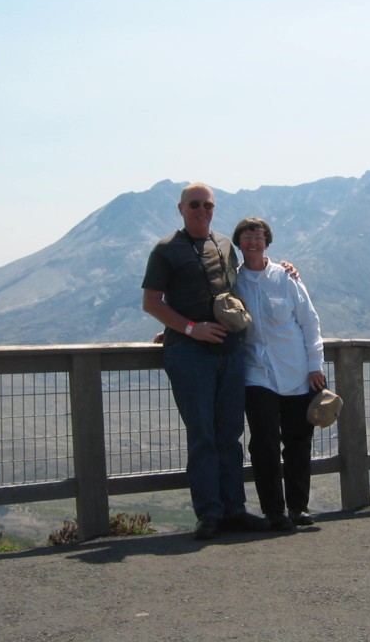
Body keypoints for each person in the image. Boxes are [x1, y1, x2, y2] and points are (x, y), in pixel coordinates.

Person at [141, 183, 270, 540]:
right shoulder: (166, 250)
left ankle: (234, 510)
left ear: (214, 208)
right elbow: (152, 302)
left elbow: (245, 280)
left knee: (230, 432)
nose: (202, 209)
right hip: (190, 353)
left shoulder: (226, 244)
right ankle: (209, 513)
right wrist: (187, 328)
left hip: (229, 350)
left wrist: (285, 268)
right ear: (181, 208)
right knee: (203, 435)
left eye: (208, 204)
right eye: (195, 204)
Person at [232, 216, 326, 531]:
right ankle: (275, 511)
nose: (253, 243)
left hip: (296, 372)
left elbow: (309, 321)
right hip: (257, 374)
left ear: (267, 242)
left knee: (298, 442)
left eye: (258, 237)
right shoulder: (234, 282)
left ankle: (298, 507)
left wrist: (315, 364)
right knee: (264, 443)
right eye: (247, 238)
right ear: (239, 243)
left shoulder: (286, 278)